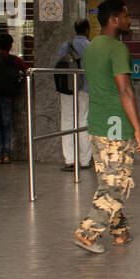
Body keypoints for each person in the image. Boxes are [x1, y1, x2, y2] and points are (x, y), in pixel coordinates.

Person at [74, 0, 140, 253]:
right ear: (114, 19)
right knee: (117, 182)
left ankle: (119, 231)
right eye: (126, 16)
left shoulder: (92, 47)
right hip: (115, 123)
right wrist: (138, 128)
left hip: (97, 122)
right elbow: (125, 90)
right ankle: (88, 233)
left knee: (109, 177)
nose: (129, 20)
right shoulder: (117, 49)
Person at [0, 31, 28, 164]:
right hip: (8, 96)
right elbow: (28, 71)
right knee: (6, 125)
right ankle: (6, 155)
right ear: (10, 45)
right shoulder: (16, 60)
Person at [56, 20, 92, 171]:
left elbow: (59, 64)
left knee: (67, 121)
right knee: (84, 120)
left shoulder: (66, 45)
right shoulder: (91, 46)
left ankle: (70, 160)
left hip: (68, 88)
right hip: (85, 88)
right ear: (88, 30)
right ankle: (85, 160)